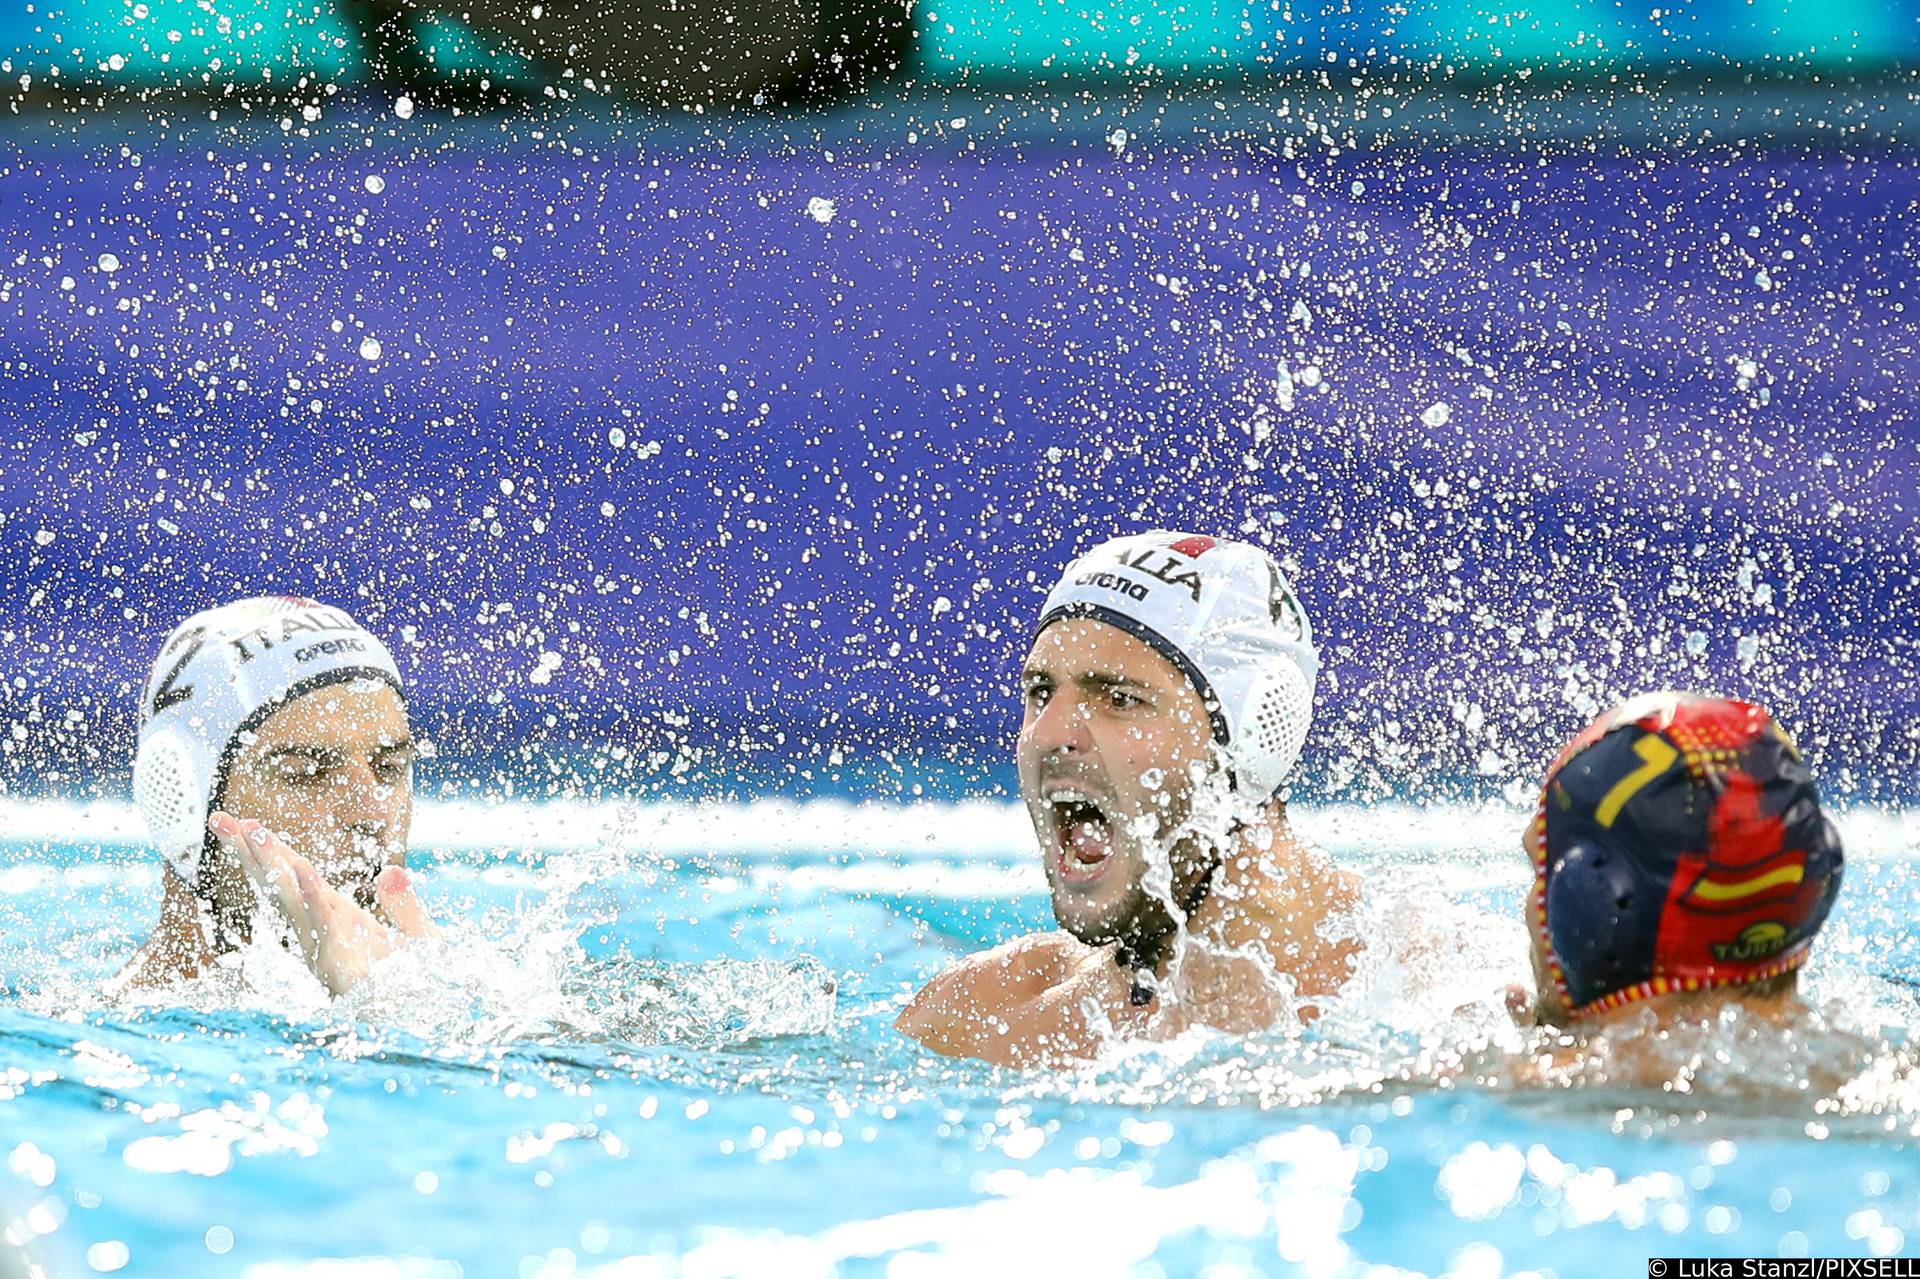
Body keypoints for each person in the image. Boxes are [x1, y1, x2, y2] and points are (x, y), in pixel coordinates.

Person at [896, 531, 1363, 1067]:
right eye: (1041, 693)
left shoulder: (1428, 1000)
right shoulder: (979, 1020)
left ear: (1253, 742)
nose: (1047, 735)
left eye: (1119, 698)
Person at [111, 596, 438, 997]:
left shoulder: (460, 993)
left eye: (388, 768)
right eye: (306, 774)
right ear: (181, 800)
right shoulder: (102, 1048)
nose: (372, 813)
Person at [1511, 691, 1844, 1045]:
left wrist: (1559, 1039)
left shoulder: (1534, 1082)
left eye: (1544, 871)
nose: (1532, 904)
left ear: (1592, 907)